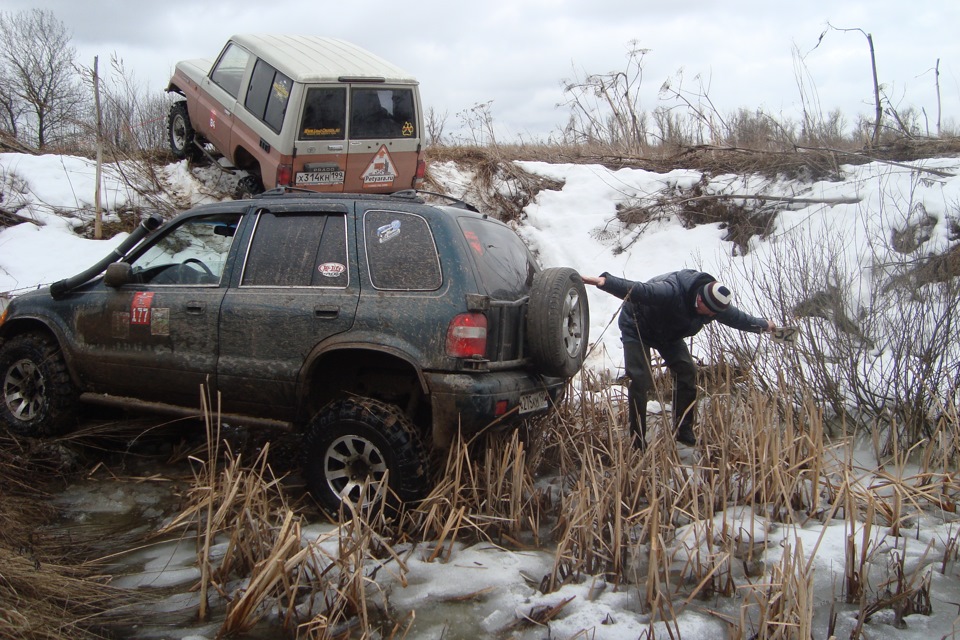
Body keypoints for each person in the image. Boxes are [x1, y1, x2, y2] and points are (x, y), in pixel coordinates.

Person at [581, 269, 775, 448]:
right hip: (637, 325)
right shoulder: (671, 291)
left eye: (717, 313)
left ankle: (683, 429)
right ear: (700, 300)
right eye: (711, 312)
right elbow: (640, 290)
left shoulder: (715, 305)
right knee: (640, 380)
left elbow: (739, 319)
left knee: (687, 372)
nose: (714, 316)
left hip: (668, 335)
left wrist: (765, 325)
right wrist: (604, 281)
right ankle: (637, 438)